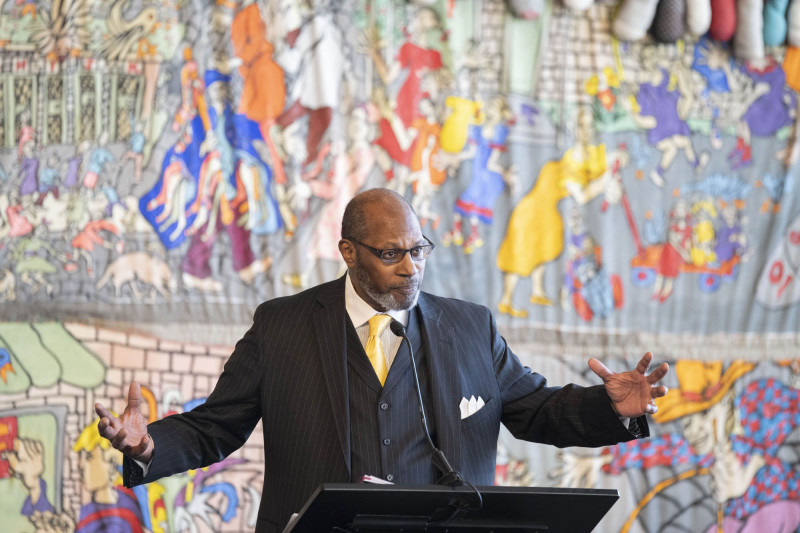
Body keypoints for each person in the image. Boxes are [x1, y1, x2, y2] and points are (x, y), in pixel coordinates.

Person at [95, 188, 669, 533]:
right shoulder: (281, 325)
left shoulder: (470, 327)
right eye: (392, 254)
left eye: (418, 251)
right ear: (349, 252)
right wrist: (147, 446)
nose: (410, 268)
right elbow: (215, 427)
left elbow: (536, 410)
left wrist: (610, 408)